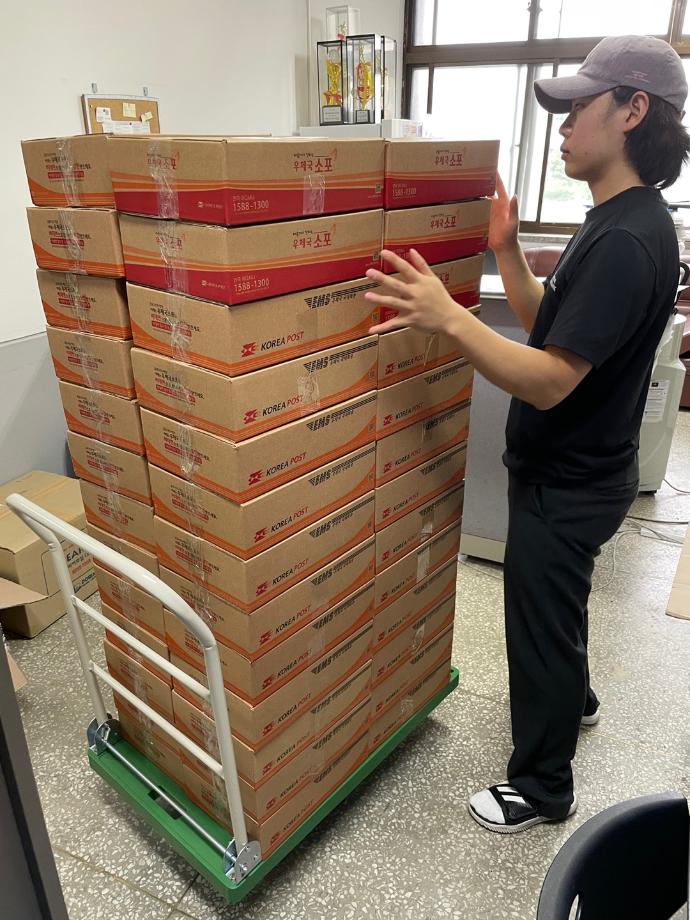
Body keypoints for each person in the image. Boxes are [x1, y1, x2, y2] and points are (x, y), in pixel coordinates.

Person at [366, 34, 690, 834]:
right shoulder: (622, 219)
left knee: (538, 622)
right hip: (585, 471)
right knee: (559, 604)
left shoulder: (625, 239)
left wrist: (448, 319)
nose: (563, 126)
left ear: (633, 111)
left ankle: (542, 787)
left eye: (578, 108)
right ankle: (574, 700)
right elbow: (556, 328)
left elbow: (548, 378)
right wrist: (508, 252)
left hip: (567, 481)